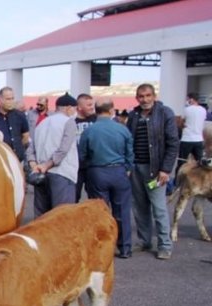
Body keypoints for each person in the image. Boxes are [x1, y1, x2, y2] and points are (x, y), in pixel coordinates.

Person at [126, 83, 179, 260]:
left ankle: (164, 244)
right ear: (137, 98)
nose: (145, 99)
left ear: (154, 96)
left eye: (148, 95)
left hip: (156, 170)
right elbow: (128, 142)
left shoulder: (165, 113)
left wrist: (165, 169)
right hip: (136, 168)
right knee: (139, 207)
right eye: (141, 96)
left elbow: (173, 143)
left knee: (159, 208)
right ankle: (144, 241)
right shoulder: (133, 115)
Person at [78, 98, 134, 258]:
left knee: (100, 212)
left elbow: (82, 155)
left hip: (97, 172)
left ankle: (102, 246)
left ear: (96, 111)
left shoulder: (89, 131)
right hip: (119, 172)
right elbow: (130, 153)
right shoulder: (122, 129)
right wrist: (128, 168)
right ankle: (125, 248)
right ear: (111, 111)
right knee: (122, 211)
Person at [27, 93, 79, 217]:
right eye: (75, 109)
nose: (75, 112)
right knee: (61, 217)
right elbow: (63, 150)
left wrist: (34, 165)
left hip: (41, 175)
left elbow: (30, 149)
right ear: (68, 108)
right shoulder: (69, 122)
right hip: (62, 173)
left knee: (41, 217)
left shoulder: (42, 123)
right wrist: (47, 165)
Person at [0, 86, 30, 162]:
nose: (11, 101)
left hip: (18, 159)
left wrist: (19, 149)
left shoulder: (20, 116)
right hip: (1, 160)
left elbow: (25, 137)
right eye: (8, 99)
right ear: (0, 99)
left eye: (12, 98)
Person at [176, 92, 206, 177]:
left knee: (181, 162)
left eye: (187, 99)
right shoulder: (203, 110)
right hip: (199, 140)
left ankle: (177, 182)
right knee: (200, 163)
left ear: (191, 99)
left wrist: (183, 124)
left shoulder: (187, 109)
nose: (187, 101)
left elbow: (180, 123)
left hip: (187, 139)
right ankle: (201, 180)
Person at [74, 93, 97, 201]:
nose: (92, 107)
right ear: (79, 107)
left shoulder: (97, 120)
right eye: (88, 105)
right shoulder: (71, 122)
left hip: (93, 165)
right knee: (74, 196)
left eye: (92, 104)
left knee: (95, 197)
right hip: (75, 166)